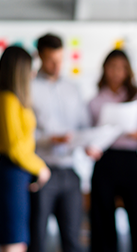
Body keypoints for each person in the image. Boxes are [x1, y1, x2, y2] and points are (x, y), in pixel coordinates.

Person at [29, 33, 91, 252]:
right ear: (39, 57)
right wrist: (49, 140)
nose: (56, 66)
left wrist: (89, 143)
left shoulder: (73, 89)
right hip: (41, 171)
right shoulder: (29, 88)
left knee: (73, 241)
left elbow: (83, 126)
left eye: (60, 60)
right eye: (50, 61)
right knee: (37, 238)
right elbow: (25, 134)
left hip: (70, 172)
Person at [88, 50, 137, 252]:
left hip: (129, 161)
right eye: (112, 67)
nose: (117, 72)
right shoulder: (95, 100)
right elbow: (88, 134)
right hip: (105, 160)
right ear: (105, 69)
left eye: (122, 68)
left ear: (128, 71)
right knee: (102, 217)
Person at [0, 46, 51, 252]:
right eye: (31, 69)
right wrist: (41, 168)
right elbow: (14, 147)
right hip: (11, 173)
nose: (33, 73)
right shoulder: (7, 100)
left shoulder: (10, 99)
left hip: (17, 174)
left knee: (19, 240)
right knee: (14, 241)